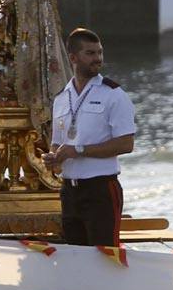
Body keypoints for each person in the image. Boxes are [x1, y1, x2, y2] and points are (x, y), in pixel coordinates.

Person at [40, 28, 136, 246]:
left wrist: (79, 150)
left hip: (100, 189)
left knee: (105, 256)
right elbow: (57, 142)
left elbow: (126, 144)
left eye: (100, 53)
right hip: (69, 191)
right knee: (75, 257)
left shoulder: (113, 94)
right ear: (73, 58)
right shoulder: (62, 98)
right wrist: (53, 158)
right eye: (90, 53)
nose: (98, 59)